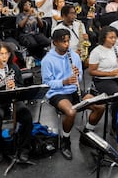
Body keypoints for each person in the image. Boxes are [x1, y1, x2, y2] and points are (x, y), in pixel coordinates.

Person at [42, 29, 105, 160]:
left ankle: (87, 134)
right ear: (54, 43)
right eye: (63, 41)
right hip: (57, 93)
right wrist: (63, 82)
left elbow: (80, 78)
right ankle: (65, 141)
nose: (67, 44)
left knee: (100, 107)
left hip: (74, 90)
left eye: (68, 41)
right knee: (71, 112)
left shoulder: (74, 56)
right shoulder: (47, 60)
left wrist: (77, 75)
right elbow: (46, 84)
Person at [0, 42, 33, 163]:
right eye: (1, 54)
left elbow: (21, 84)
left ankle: (24, 149)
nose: (4, 57)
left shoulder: (13, 67)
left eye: (6, 54)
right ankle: (0, 149)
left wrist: (15, 86)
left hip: (13, 100)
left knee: (27, 117)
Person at [88, 26, 118, 135]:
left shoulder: (117, 49)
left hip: (117, 77)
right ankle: (115, 124)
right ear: (104, 38)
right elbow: (92, 71)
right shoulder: (97, 51)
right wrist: (110, 73)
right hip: (102, 80)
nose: (114, 40)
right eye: (111, 38)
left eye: (115, 38)